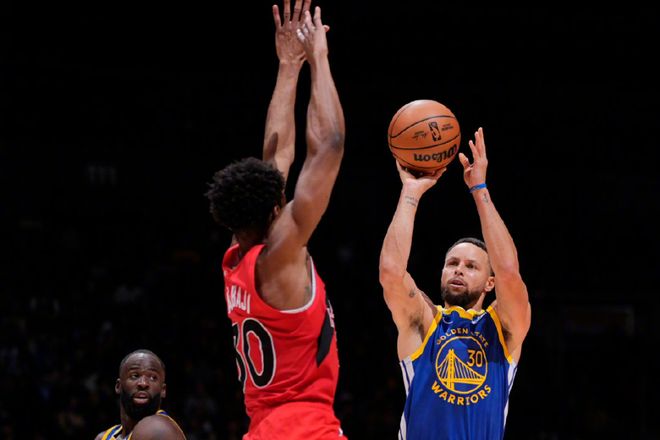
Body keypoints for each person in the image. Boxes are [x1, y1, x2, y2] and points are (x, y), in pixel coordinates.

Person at [204, 0, 347, 439]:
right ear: (274, 211)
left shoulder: (236, 258)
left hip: (262, 428)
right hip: (307, 429)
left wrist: (288, 68)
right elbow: (329, 147)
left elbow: (276, 155)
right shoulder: (281, 256)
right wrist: (318, 58)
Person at [378, 127, 531, 440]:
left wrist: (480, 189)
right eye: (452, 263)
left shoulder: (503, 328)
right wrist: (411, 191)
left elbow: (508, 270)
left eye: (471, 266)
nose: (459, 270)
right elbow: (391, 271)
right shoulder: (424, 322)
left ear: (490, 283)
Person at [95, 349, 186, 440]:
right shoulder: (103, 437)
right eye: (135, 376)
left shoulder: (159, 429)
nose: (143, 383)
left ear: (163, 390)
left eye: (153, 377)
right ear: (118, 386)